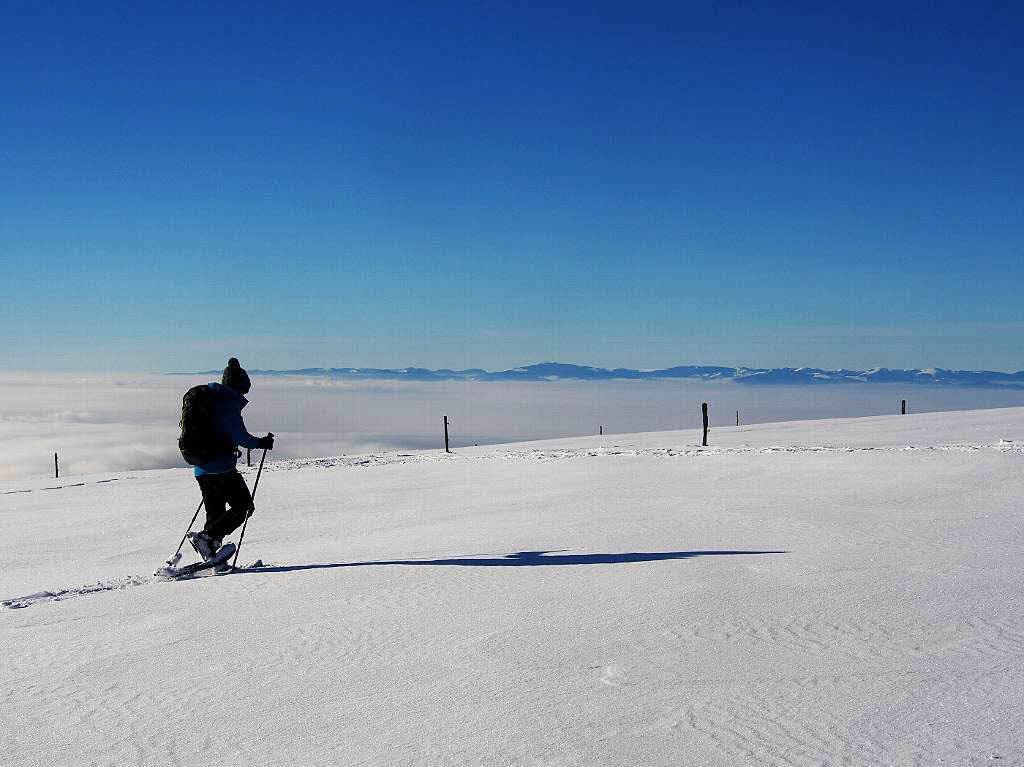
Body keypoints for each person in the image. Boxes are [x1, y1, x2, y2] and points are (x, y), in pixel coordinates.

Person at [188, 358, 274, 560]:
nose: (244, 395)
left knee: (216, 514)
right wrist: (260, 443)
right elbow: (240, 435)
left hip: (201, 467)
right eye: (244, 390)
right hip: (221, 467)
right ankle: (207, 539)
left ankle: (210, 550)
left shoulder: (211, 399)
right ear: (239, 386)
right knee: (244, 506)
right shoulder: (228, 402)